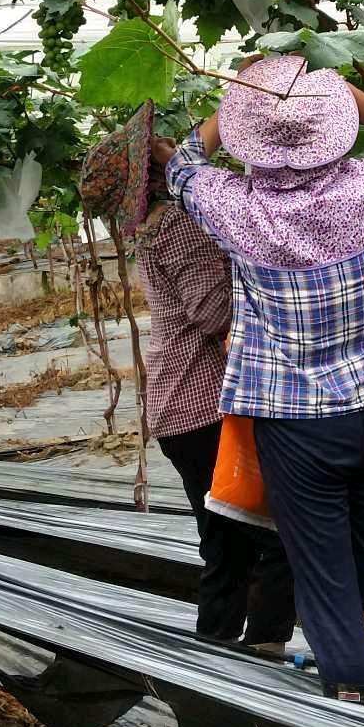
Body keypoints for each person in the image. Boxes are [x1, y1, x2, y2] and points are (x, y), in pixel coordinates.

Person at [164, 54, 364, 723]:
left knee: (326, 582)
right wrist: (341, 87)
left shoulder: (233, 204)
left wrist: (245, 101)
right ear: (335, 126)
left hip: (294, 427)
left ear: (248, 137)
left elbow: (178, 165)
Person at [79, 104, 295, 651]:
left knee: (227, 537)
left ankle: (220, 650)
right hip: (205, 406)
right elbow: (214, 311)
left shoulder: (156, 228)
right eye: (164, 150)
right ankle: (255, 645)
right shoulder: (180, 226)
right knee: (275, 531)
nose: (176, 147)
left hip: (182, 407)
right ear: (155, 174)